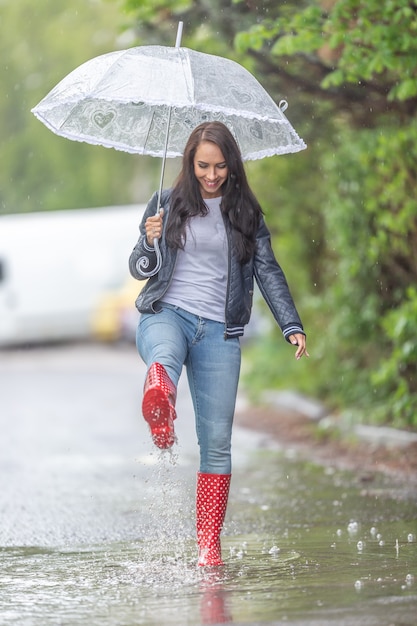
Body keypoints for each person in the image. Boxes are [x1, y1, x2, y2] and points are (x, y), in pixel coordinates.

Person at [128, 121, 309, 567]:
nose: (212, 175)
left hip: (219, 334)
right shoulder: (166, 203)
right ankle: (160, 396)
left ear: (232, 165)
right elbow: (139, 268)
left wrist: (291, 324)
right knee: (164, 356)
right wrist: (150, 239)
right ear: (190, 163)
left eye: (221, 166)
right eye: (204, 166)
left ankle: (209, 543)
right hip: (167, 314)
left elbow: (268, 270)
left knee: (217, 443)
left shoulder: (245, 212)